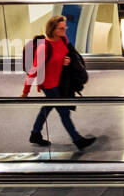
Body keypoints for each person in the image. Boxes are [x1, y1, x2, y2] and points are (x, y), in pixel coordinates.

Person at [23, 15, 97, 150]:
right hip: (50, 84)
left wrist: (66, 60)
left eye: (65, 27)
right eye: (61, 28)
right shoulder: (44, 47)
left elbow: (66, 53)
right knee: (64, 112)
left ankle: (35, 134)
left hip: (61, 81)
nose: (64, 30)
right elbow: (33, 71)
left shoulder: (63, 39)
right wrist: (25, 92)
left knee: (48, 106)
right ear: (53, 29)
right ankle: (77, 140)